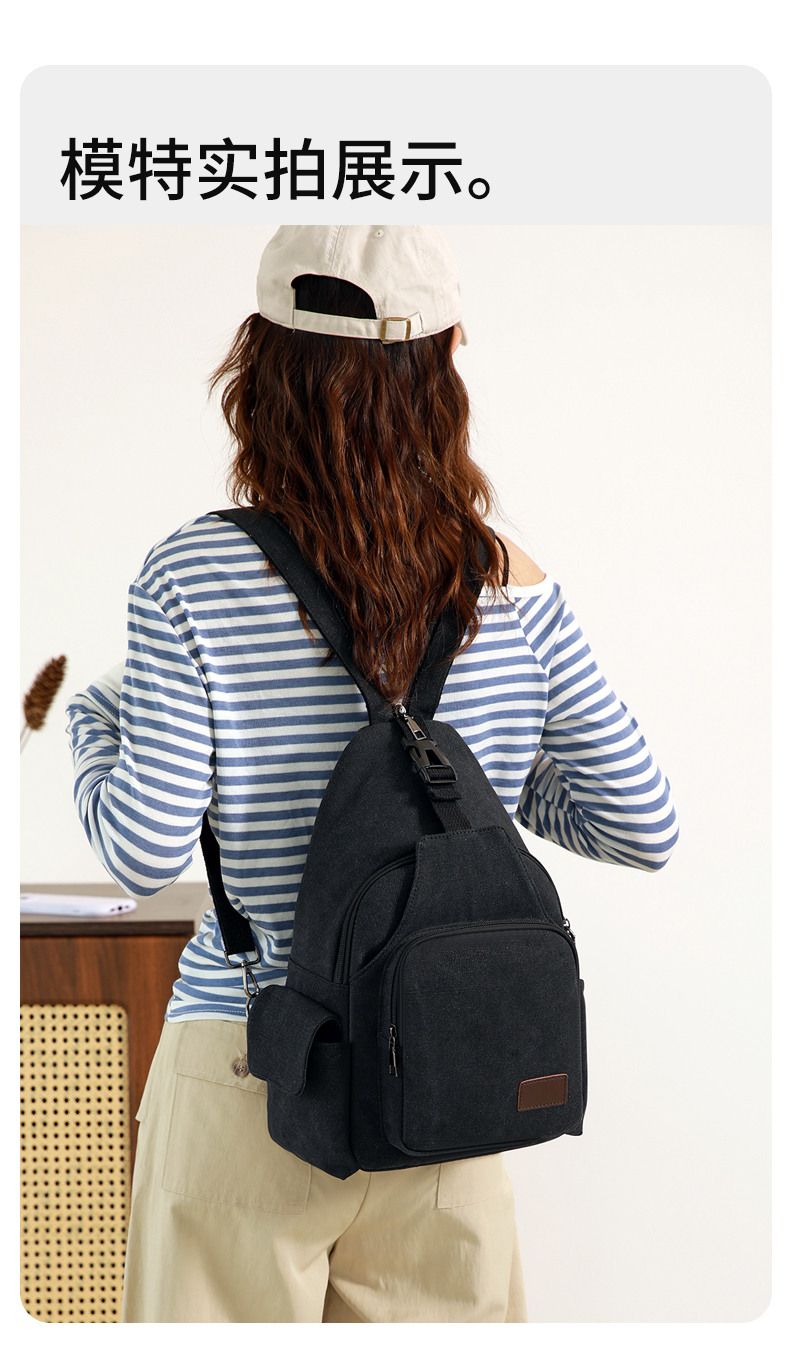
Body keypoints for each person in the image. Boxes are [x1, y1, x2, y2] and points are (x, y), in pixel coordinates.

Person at [65, 224, 678, 1323]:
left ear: (260, 367)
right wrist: (481, 777)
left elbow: (142, 851)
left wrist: (89, 724)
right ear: (444, 367)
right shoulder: (505, 581)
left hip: (250, 1067)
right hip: (442, 1079)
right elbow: (642, 823)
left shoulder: (193, 573)